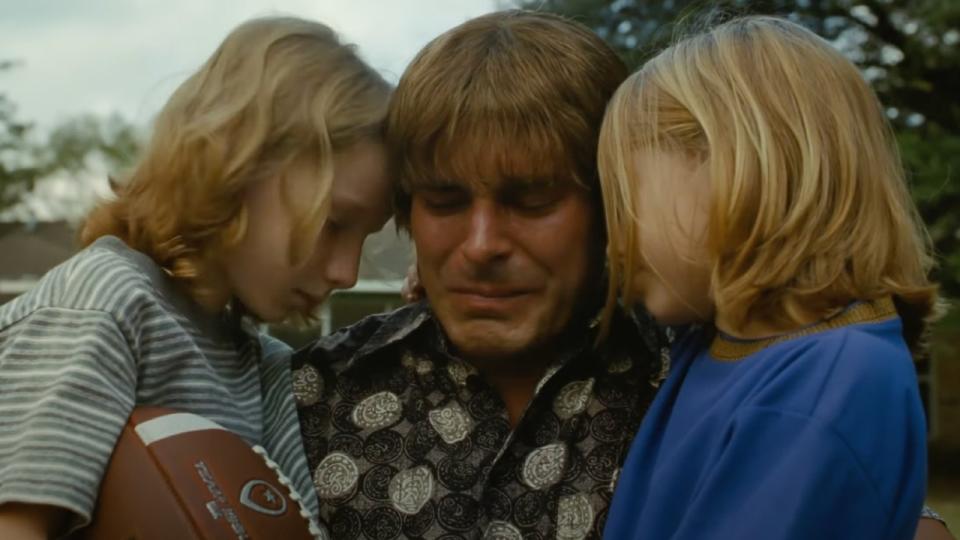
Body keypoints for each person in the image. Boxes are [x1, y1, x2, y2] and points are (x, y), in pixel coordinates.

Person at [0, 16, 392, 538]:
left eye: (365, 238)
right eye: (334, 224)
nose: (346, 272)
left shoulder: (264, 364)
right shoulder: (105, 305)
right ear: (236, 168)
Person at [291, 10, 667, 539]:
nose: (482, 245)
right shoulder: (312, 400)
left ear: (610, 206)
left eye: (532, 201)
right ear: (407, 210)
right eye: (446, 202)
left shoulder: (688, 386)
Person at [598, 15, 938, 540]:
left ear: (730, 167)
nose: (613, 241)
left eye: (625, 200)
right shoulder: (721, 342)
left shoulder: (826, 385)